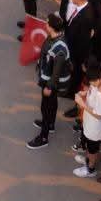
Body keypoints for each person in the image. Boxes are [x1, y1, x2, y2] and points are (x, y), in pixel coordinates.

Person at [27, 11, 72, 149]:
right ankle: (50, 124)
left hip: (52, 83)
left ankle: (43, 137)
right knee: (51, 104)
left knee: (46, 107)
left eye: (47, 22)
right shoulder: (54, 37)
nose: (45, 24)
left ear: (52, 27)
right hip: (49, 80)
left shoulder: (60, 48)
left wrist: (49, 87)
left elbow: (56, 72)